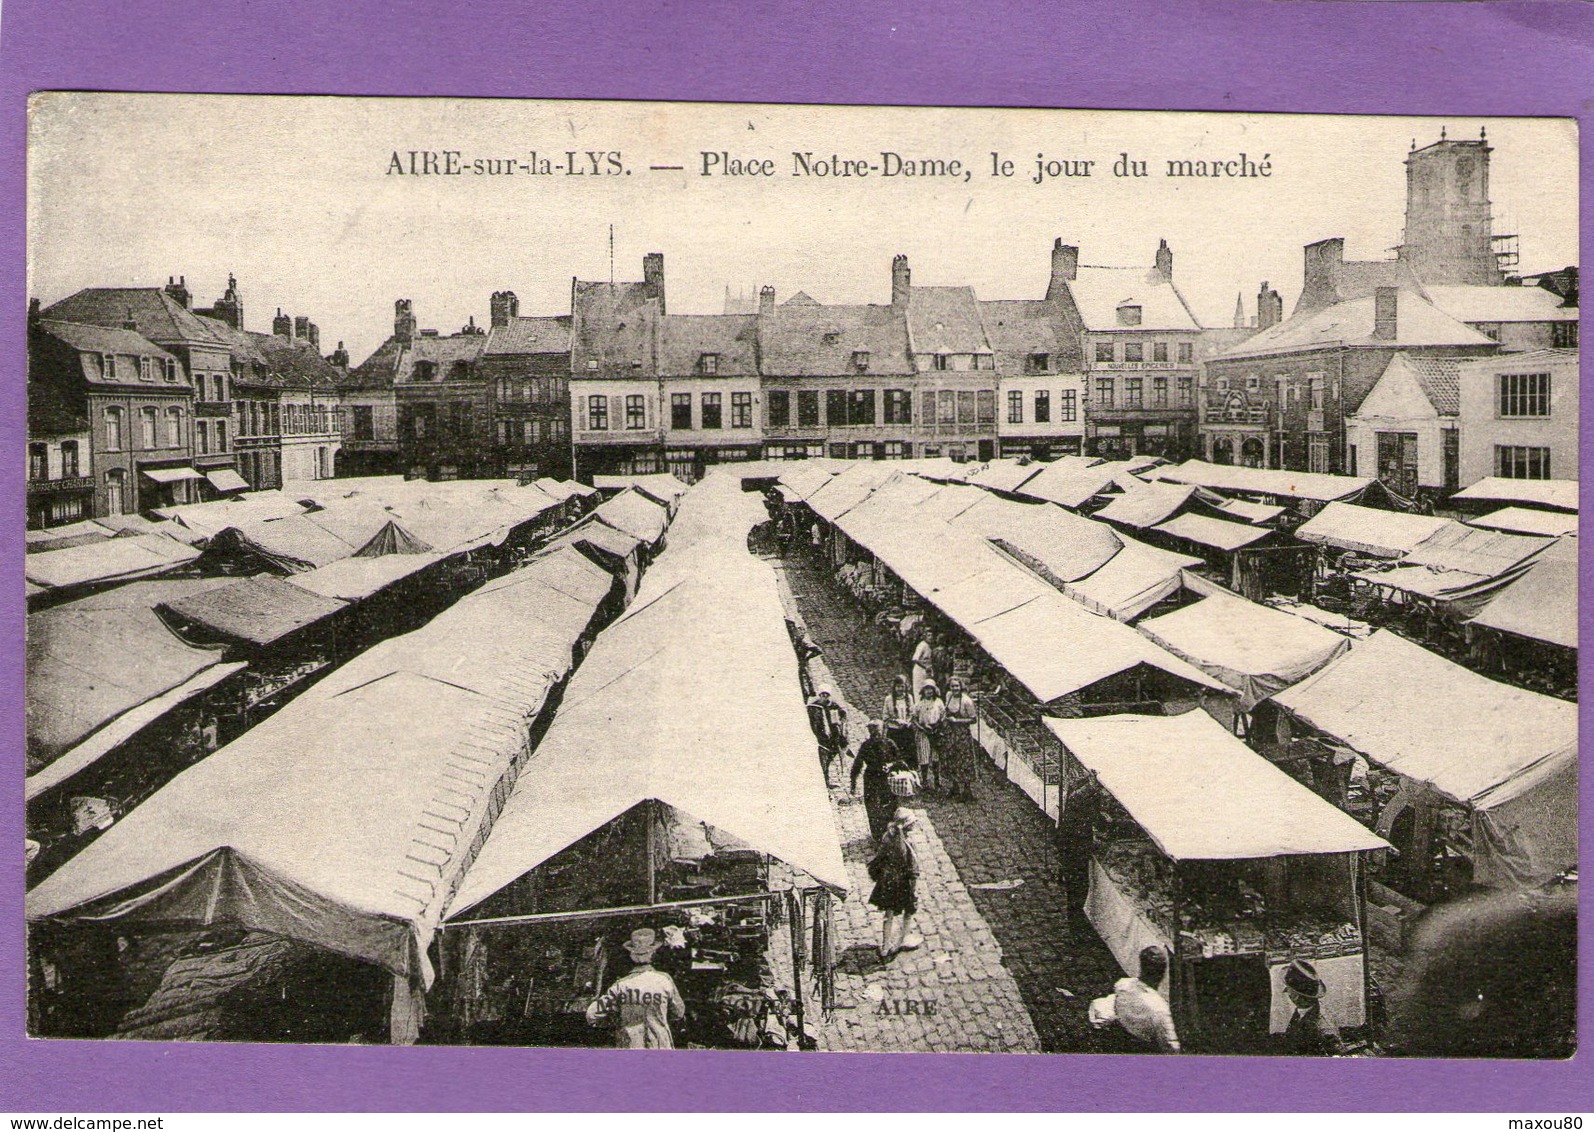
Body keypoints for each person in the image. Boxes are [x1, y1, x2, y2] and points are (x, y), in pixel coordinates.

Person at [584, 928, 687, 1049]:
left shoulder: (620, 986)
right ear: (653, 954)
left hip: (629, 1046)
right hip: (660, 1046)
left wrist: (615, 1021)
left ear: (631, 956)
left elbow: (592, 1014)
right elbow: (678, 1012)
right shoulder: (665, 981)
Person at [868, 810, 922, 961]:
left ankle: (885, 946)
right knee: (908, 911)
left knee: (889, 913)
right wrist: (914, 883)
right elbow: (913, 866)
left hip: (888, 880)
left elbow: (881, 856)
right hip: (904, 882)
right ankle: (900, 941)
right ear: (907, 825)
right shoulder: (908, 842)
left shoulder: (887, 837)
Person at [1112, 945, 1181, 1053]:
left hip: (1122, 1044)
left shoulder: (1122, 985)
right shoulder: (1159, 1008)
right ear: (1162, 973)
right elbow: (1171, 1047)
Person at [850, 721, 906, 841]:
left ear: (883, 731)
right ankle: (877, 836)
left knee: (891, 806)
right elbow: (857, 765)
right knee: (872, 808)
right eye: (873, 732)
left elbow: (900, 760)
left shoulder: (890, 744)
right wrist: (853, 783)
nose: (875, 735)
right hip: (871, 779)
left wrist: (891, 765)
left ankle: (892, 833)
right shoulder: (866, 746)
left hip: (888, 780)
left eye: (878, 732)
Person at [1277, 958, 1344, 1056]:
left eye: (1289, 989)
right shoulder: (1304, 1009)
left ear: (1296, 996)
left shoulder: (1323, 1029)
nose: (1287, 992)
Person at [940, 676, 979, 801]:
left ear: (961, 686)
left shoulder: (966, 701)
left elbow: (973, 719)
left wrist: (957, 720)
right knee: (951, 758)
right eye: (952, 686)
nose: (955, 688)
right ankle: (955, 787)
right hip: (950, 733)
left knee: (964, 760)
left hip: (962, 734)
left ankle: (967, 790)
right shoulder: (948, 696)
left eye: (957, 686)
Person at [806, 686, 848, 787]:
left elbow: (843, 716)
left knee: (829, 758)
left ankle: (826, 779)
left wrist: (840, 723)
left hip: (833, 737)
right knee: (822, 759)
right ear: (819, 695)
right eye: (822, 695)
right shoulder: (815, 707)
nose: (825, 697)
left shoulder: (833, 706)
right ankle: (825, 781)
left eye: (827, 695)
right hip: (821, 737)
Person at [912, 680, 945, 794]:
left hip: (935, 731)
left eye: (931, 689)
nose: (929, 692)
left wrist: (938, 726)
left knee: (936, 757)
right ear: (923, 691)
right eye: (926, 689)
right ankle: (925, 781)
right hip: (923, 732)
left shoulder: (939, 702)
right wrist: (922, 727)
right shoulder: (919, 704)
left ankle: (937, 781)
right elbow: (914, 719)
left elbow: (943, 716)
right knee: (924, 757)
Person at [880, 675, 917, 766]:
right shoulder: (889, 699)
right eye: (898, 686)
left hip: (907, 732)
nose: (900, 689)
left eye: (902, 686)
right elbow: (885, 716)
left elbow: (912, 713)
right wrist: (896, 721)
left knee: (908, 756)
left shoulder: (909, 698)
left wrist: (908, 721)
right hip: (894, 732)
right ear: (894, 687)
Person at [909, 629, 935, 696]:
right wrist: (925, 667)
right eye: (928, 635)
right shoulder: (922, 645)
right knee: (919, 689)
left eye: (932, 635)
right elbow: (915, 659)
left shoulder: (929, 645)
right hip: (920, 670)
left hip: (926, 670)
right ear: (924, 636)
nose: (931, 637)